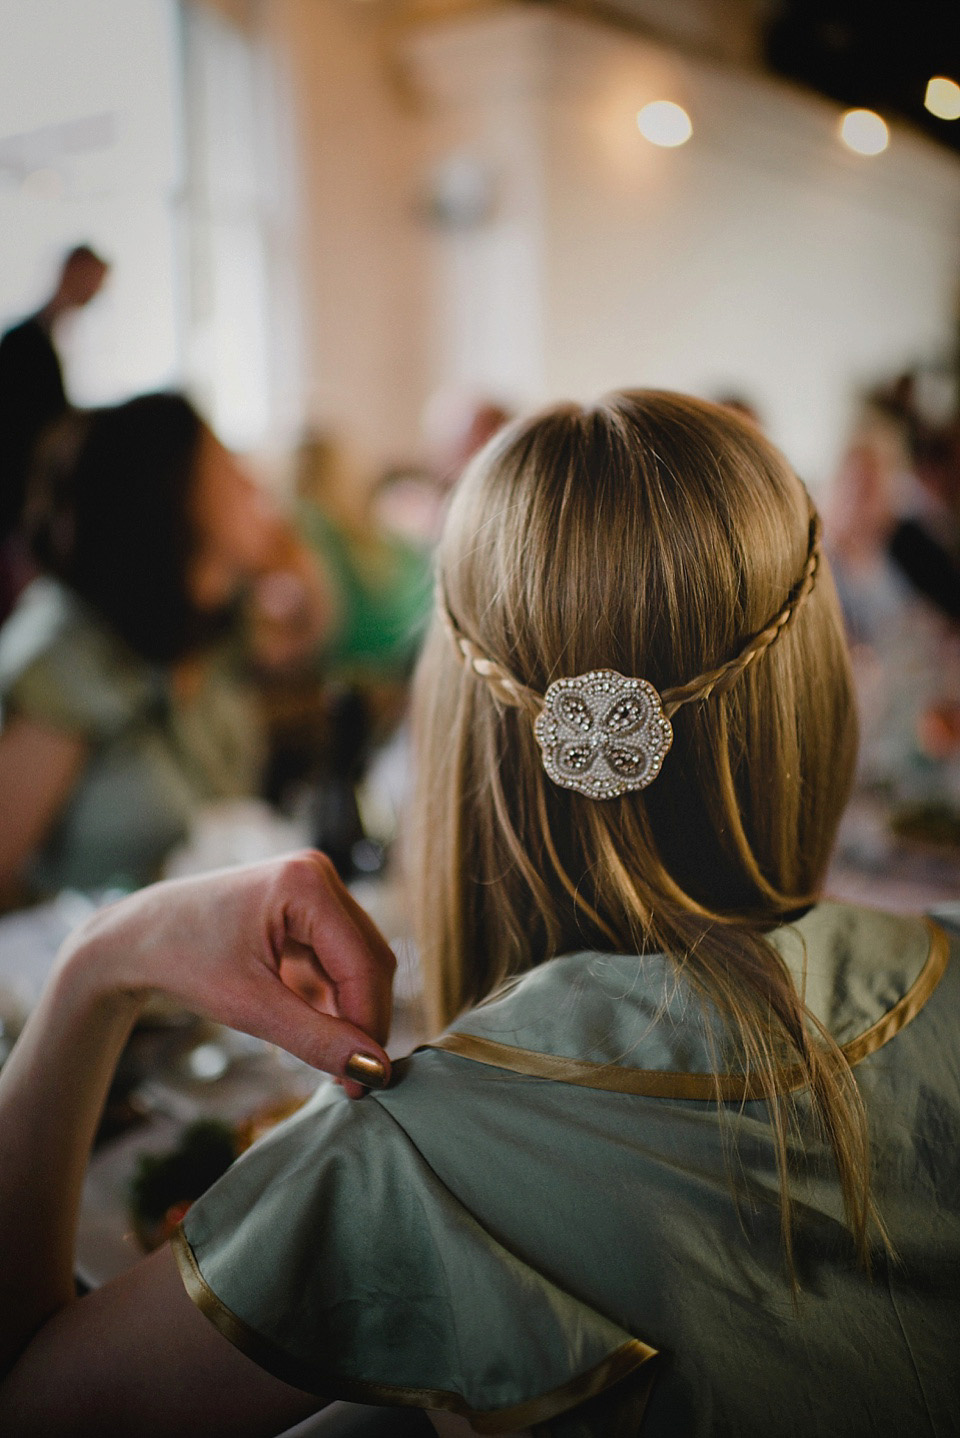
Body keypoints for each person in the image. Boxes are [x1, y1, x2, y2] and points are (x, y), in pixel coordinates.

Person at [0, 392, 958, 1437]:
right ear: (814, 692)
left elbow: (30, 1395)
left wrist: (100, 962)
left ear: (460, 726)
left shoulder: (405, 1160)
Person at [0, 392, 285, 897]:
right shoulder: (66, 654)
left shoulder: (210, 632)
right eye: (224, 466)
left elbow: (313, 632)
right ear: (168, 490)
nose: (250, 484)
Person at [0, 245, 109, 619]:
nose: (95, 296)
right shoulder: (25, 345)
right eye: (92, 283)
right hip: (16, 504)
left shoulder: (46, 341)